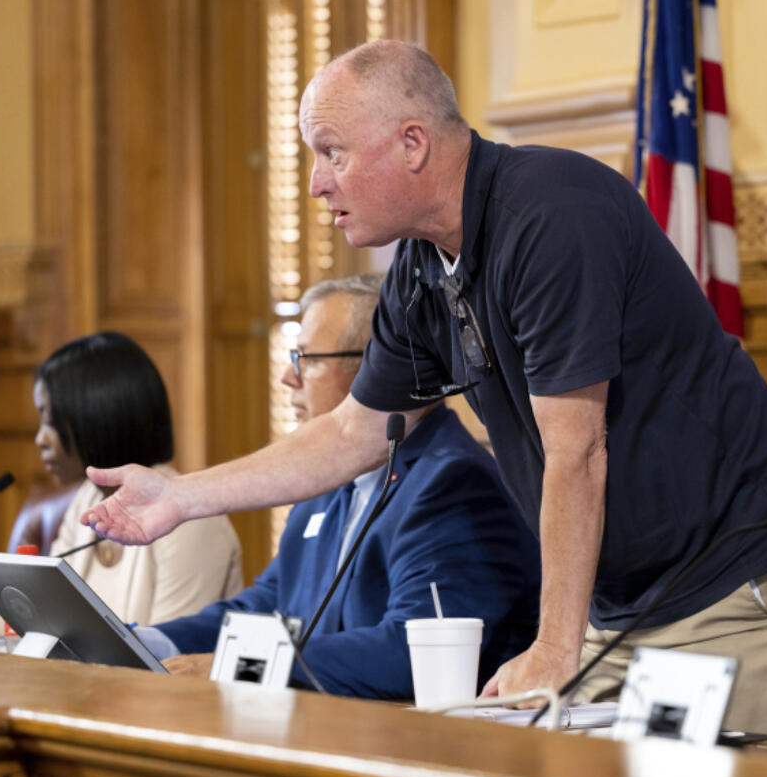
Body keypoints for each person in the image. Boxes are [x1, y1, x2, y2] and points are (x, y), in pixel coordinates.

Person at [82, 41, 767, 746]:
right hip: (621, 601)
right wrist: (180, 499)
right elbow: (353, 433)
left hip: (734, 570)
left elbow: (577, 450)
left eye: (332, 152)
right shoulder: (419, 266)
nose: (316, 182)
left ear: (413, 143)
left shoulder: (551, 218)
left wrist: (552, 647)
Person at [136, 276, 540, 699]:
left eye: (306, 358)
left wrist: (238, 665)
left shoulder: (452, 483)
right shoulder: (325, 480)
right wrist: (148, 645)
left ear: (378, 367)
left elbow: (410, 655)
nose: (287, 378)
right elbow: (267, 606)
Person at [0, 332, 243, 638]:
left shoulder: (188, 519)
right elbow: (36, 613)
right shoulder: (87, 498)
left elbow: (169, 661)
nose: (40, 439)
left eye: (49, 420)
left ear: (95, 416)